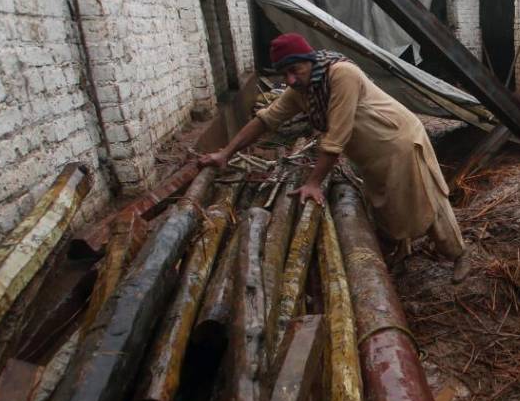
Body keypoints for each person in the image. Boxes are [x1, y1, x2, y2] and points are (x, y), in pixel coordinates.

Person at [199, 33, 472, 282]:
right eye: (284, 73)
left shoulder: (342, 74)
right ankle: (401, 255)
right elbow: (265, 120)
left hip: (397, 141)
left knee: (426, 199)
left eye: (295, 70)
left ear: (309, 61)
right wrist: (224, 153)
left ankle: (458, 254)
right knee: (385, 206)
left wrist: (314, 182)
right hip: (369, 154)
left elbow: (335, 139)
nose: (290, 79)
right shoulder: (301, 91)